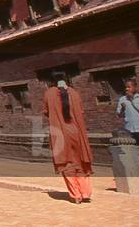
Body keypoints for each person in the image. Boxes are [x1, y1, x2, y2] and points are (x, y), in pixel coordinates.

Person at [42, 73, 94, 204]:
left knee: (67, 164)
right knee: (80, 162)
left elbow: (47, 112)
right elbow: (81, 112)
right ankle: (85, 192)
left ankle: (76, 194)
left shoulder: (49, 94)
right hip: (76, 132)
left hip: (60, 133)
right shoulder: (74, 93)